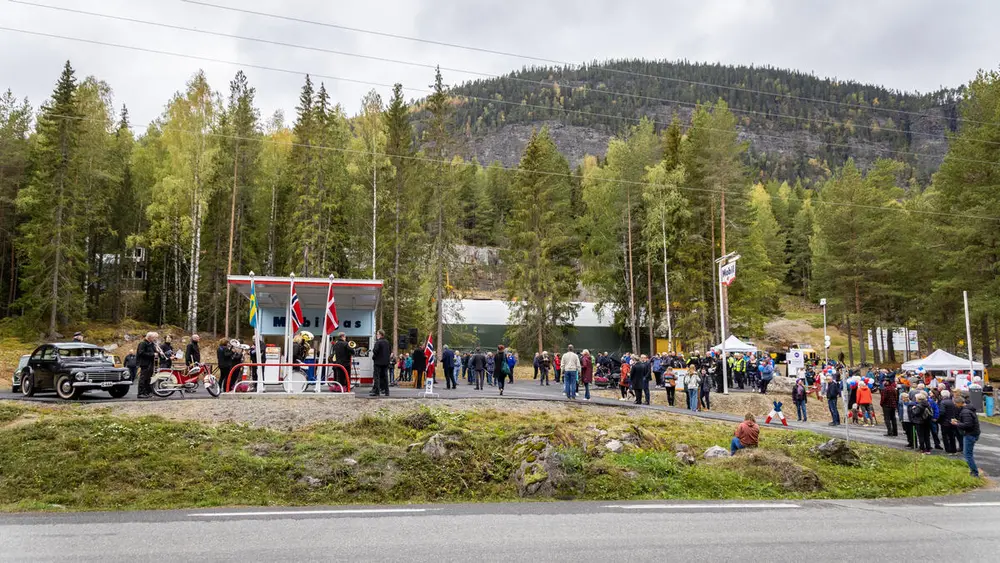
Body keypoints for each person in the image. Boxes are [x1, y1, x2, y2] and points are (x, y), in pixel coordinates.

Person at [952, 394, 981, 478]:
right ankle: (973, 471)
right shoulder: (969, 409)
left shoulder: (965, 412)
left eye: (955, 403)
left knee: (968, 454)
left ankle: (974, 473)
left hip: (970, 434)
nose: (955, 405)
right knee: (969, 453)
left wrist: (956, 423)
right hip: (974, 433)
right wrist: (959, 421)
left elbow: (968, 425)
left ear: (960, 403)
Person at [135, 331, 158, 399]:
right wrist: (152, 354)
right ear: (149, 337)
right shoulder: (142, 343)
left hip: (150, 363)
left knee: (148, 379)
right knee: (143, 378)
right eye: (153, 338)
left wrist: (157, 353)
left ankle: (146, 392)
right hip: (144, 364)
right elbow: (140, 353)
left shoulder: (151, 344)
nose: (154, 339)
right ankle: (140, 393)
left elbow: (154, 352)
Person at [370, 329, 390, 397]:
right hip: (386, 362)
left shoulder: (378, 342)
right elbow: (389, 351)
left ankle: (377, 392)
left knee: (377, 377)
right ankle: (387, 392)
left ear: (380, 335)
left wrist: (374, 357)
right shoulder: (387, 342)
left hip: (378, 362)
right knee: (385, 377)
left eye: (377, 334)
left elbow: (375, 351)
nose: (376, 335)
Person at [939, 390, 960, 454]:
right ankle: (953, 449)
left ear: (942, 396)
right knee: (952, 436)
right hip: (952, 421)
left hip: (945, 422)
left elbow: (942, 412)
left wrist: (939, 420)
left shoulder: (943, 402)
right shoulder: (952, 402)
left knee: (945, 436)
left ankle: (948, 449)